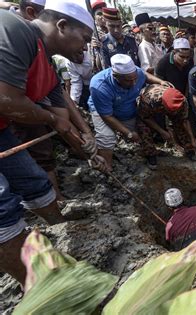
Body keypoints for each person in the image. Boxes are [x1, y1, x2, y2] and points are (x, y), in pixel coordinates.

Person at [0, 0, 106, 286]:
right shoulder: (15, 29)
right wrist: (52, 120)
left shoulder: (45, 60)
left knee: (35, 183)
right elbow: (6, 100)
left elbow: (60, 102)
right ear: (61, 26)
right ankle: (37, 285)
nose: (85, 48)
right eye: (84, 39)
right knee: (3, 211)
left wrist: (84, 136)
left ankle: (59, 232)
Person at [88, 54, 171, 170]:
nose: (133, 83)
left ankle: (149, 154)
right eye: (128, 81)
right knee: (107, 138)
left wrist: (160, 82)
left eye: (135, 79)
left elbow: (145, 75)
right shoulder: (99, 86)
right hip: (103, 111)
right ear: (115, 76)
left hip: (127, 108)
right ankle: (106, 169)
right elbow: (107, 116)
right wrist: (128, 133)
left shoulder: (134, 73)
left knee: (143, 129)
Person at [137, 84, 196, 162]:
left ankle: (189, 149)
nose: (174, 113)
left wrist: (192, 139)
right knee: (144, 128)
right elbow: (146, 118)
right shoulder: (149, 99)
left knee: (179, 122)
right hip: (149, 109)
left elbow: (185, 120)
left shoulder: (181, 100)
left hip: (168, 106)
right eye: (172, 111)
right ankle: (150, 153)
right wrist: (161, 131)